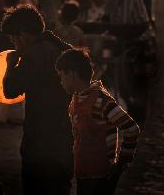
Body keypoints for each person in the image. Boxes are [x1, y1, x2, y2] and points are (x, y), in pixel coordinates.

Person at [2, 5, 73, 195]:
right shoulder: (59, 47)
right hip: (65, 135)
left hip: (41, 139)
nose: (14, 43)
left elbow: (10, 90)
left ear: (23, 35)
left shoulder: (34, 55)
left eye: (13, 38)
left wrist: (10, 65)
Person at [56, 49, 140, 195]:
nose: (61, 81)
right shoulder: (76, 99)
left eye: (61, 76)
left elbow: (132, 129)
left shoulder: (102, 102)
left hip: (101, 177)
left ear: (72, 74)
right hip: (83, 173)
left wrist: (122, 162)